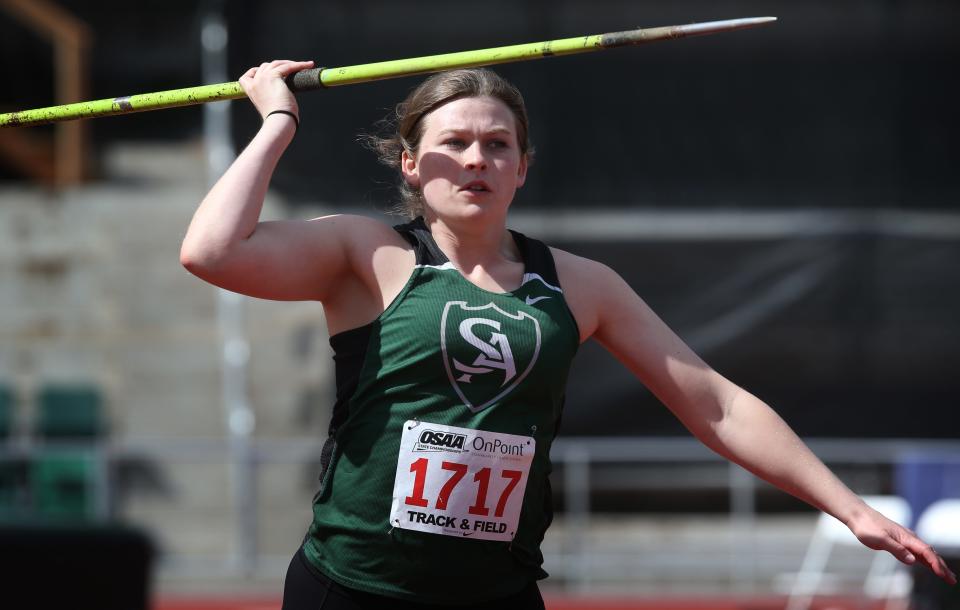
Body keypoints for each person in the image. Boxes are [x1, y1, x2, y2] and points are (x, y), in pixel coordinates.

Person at [180, 59, 957, 609]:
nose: (476, 159)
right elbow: (210, 252)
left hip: (497, 592)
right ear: (411, 164)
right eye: (453, 144)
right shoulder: (365, 253)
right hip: (351, 588)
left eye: (497, 145)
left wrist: (850, 508)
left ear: (523, 168)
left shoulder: (580, 285)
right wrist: (278, 120)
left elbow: (714, 404)